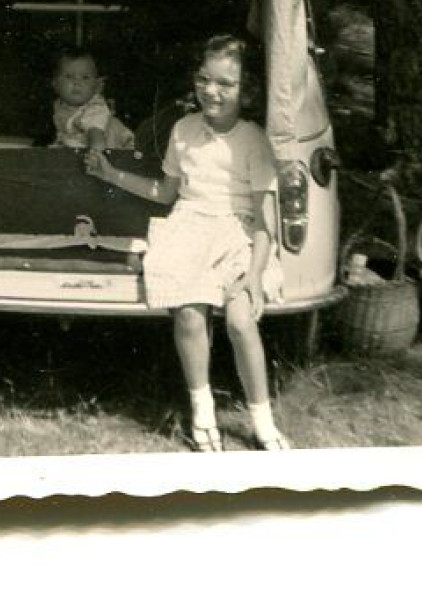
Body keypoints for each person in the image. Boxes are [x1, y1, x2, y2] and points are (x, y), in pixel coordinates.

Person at [85, 35, 289, 452]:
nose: (211, 91)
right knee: (190, 315)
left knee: (238, 321)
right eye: (203, 79)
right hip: (191, 226)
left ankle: (263, 422)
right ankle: (203, 411)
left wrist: (253, 275)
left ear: (246, 89)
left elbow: (265, 222)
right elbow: (166, 192)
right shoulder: (183, 130)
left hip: (239, 234)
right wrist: (111, 175)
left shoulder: (254, 140)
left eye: (225, 84)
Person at [50, 48, 137, 152]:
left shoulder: (94, 109)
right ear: (55, 84)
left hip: (117, 152)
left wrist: (95, 161)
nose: (77, 83)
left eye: (85, 78)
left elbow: (97, 142)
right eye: (69, 77)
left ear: (97, 86)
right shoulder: (62, 106)